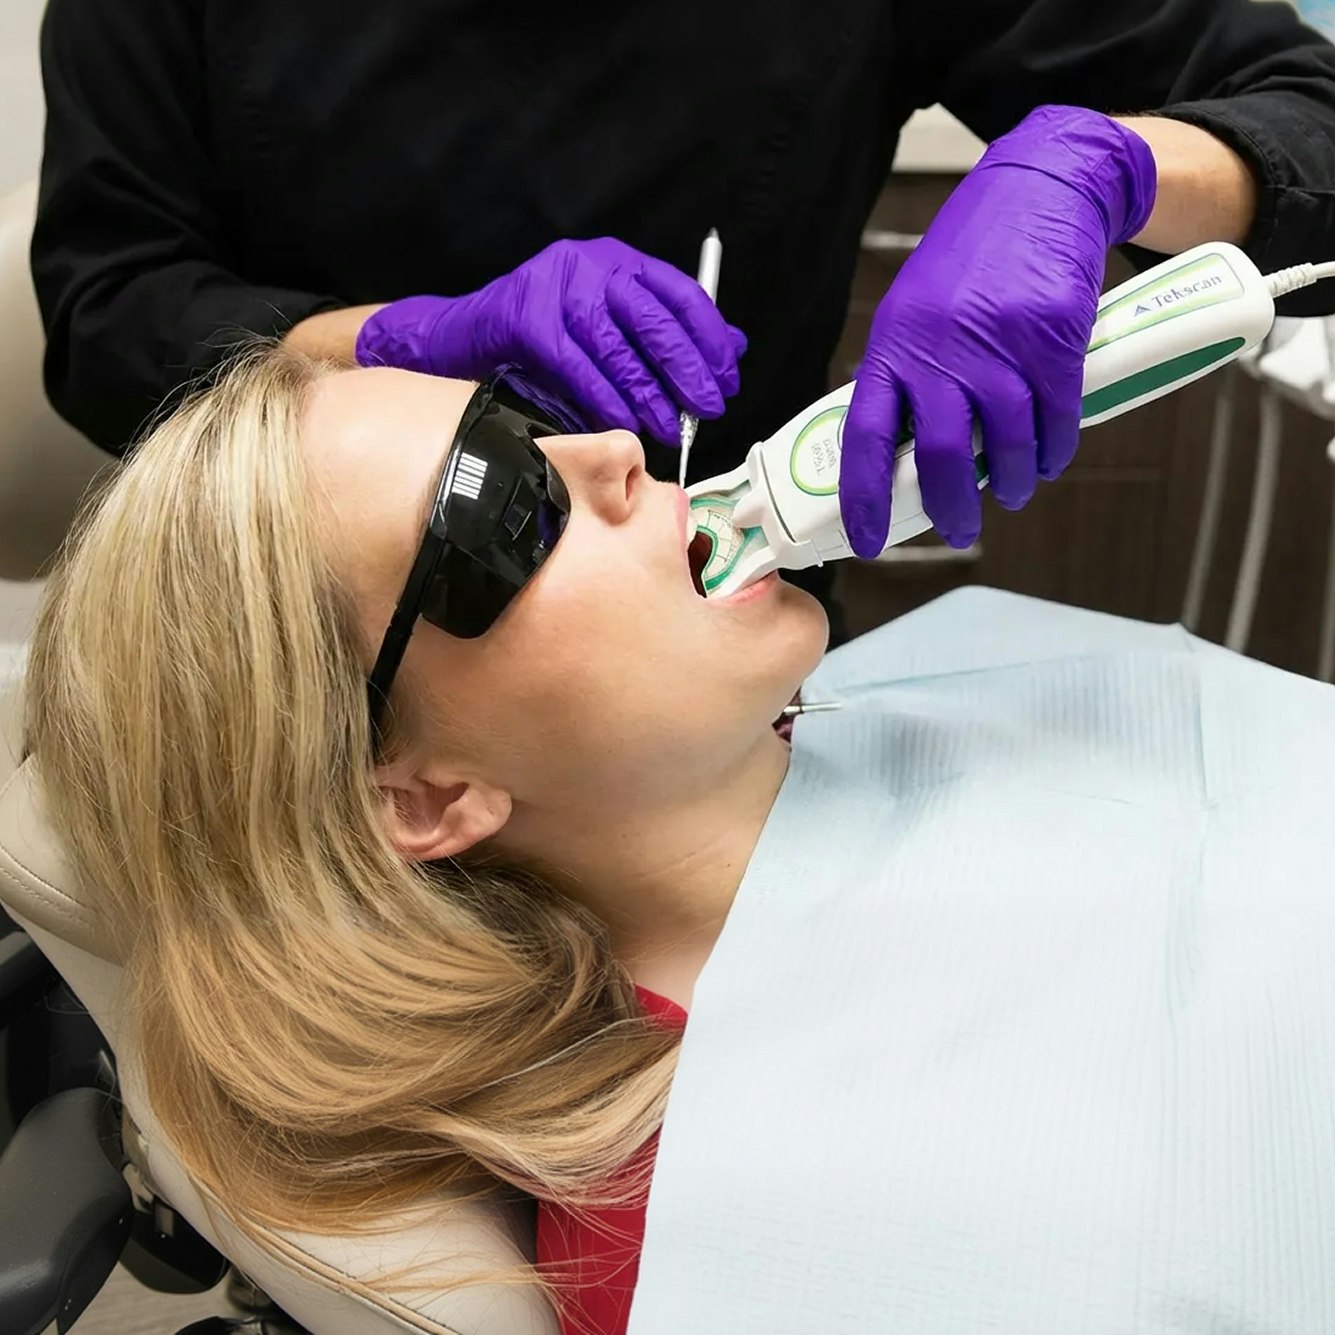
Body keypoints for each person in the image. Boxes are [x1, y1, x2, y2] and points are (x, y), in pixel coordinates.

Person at [27, 348, 1335, 1335]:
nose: (609, 449)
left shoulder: (962, 657)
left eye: (528, 418)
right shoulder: (706, 1227)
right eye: (504, 507)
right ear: (421, 797)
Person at [29, 0, 1335, 637]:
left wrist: (1105, 164)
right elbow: (107, 313)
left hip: (724, 621)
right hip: (278, 639)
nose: (602, 452)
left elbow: (1302, 106)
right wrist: (393, 343)